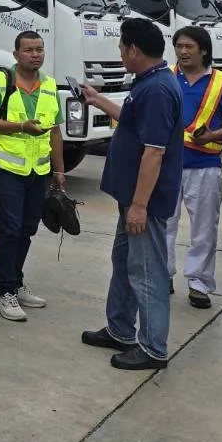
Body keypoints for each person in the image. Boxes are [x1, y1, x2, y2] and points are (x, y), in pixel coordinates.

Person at [76, 18, 182, 371]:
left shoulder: (157, 90)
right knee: (123, 262)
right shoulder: (149, 83)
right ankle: (120, 329)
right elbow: (133, 121)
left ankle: (153, 348)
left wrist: (139, 206)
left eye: (122, 48)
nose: (120, 54)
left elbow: (154, 151)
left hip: (144, 203)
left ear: (134, 49)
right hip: (131, 198)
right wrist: (98, 99)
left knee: (146, 270)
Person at [0, 30, 65, 322]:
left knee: (28, 229)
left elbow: (55, 132)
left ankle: (15, 280)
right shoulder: (0, 82)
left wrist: (59, 169)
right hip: (8, 169)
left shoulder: (50, 85)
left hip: (38, 172)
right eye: (28, 50)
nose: (35, 54)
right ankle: (4, 293)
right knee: (10, 229)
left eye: (39, 49)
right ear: (16, 55)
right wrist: (20, 127)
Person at [166, 25, 222, 309]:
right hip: (167, 165)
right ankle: (163, 275)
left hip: (205, 166)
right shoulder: (166, 77)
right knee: (164, 225)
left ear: (204, 51)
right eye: (179, 46)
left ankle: (199, 283)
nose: (183, 51)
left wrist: (212, 135)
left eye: (189, 47)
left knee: (203, 230)